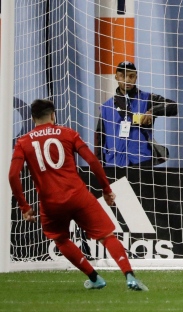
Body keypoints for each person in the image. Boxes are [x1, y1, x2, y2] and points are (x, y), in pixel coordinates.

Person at [9, 99, 148, 291]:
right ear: (53, 115)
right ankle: (130, 277)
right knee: (107, 236)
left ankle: (95, 278)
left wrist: (24, 207)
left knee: (61, 239)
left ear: (33, 119)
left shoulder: (23, 142)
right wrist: (106, 190)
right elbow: (92, 160)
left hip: (51, 203)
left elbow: (13, 175)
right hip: (78, 196)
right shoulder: (68, 134)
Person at [95, 61, 177, 167]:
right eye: (123, 76)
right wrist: (99, 164)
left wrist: (153, 111)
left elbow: (173, 106)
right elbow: (100, 139)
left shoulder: (148, 98)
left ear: (136, 77)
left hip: (142, 161)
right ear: (116, 77)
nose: (127, 80)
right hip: (114, 164)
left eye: (131, 76)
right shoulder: (106, 107)